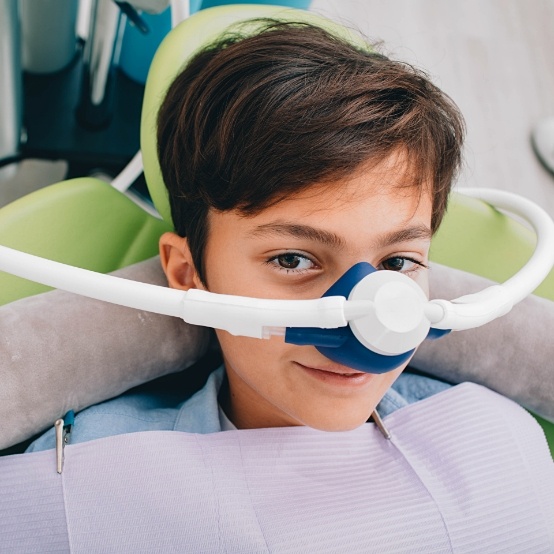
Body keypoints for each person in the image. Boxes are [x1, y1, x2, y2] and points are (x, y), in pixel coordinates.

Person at [22, 22, 554, 549]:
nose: (362, 320)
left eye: (396, 263)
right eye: (294, 259)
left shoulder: (495, 440)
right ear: (188, 275)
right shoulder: (79, 475)